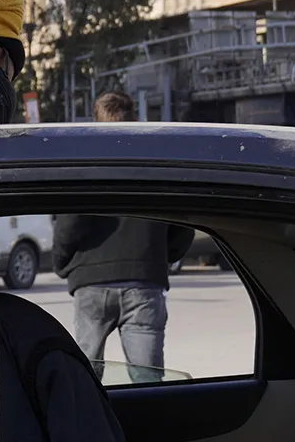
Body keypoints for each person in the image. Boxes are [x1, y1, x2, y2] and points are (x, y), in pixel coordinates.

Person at [52, 92, 193, 383]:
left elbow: (70, 222)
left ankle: (90, 414)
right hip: (144, 283)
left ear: (95, 123)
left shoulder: (84, 164)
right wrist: (159, 258)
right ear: (134, 119)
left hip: (91, 283)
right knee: (148, 379)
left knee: (85, 380)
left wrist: (62, 262)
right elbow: (183, 222)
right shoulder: (158, 164)